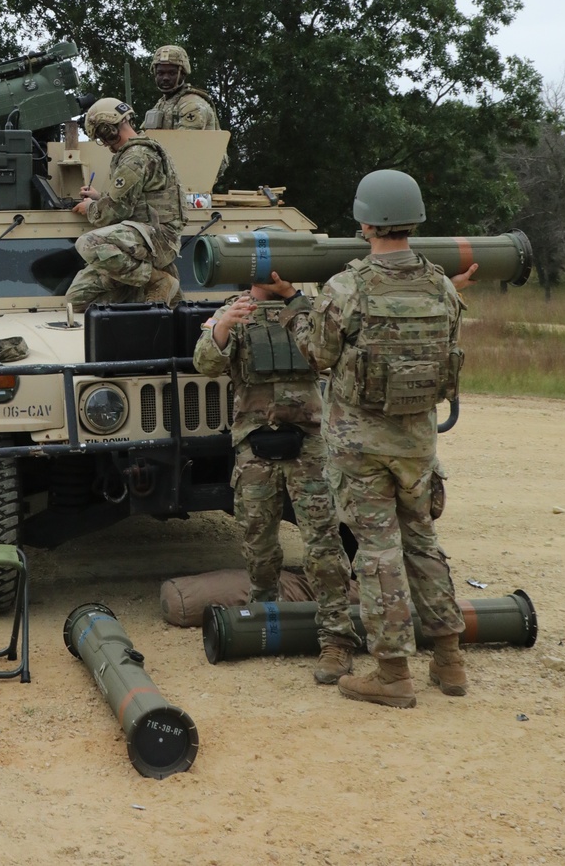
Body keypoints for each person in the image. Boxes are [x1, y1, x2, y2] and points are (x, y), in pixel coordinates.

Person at [263, 169, 475, 709]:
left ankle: (392, 673)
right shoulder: (441, 285)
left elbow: (318, 353)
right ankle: (449, 662)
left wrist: (290, 301)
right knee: (422, 541)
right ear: (415, 218)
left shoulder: (348, 286)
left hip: (361, 444)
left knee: (378, 551)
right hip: (418, 441)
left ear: (364, 222)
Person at [193, 285, 358, 685]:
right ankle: (263, 615)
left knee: (322, 540)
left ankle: (336, 636)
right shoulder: (234, 311)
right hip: (255, 444)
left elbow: (328, 354)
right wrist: (222, 327)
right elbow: (204, 364)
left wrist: (295, 301)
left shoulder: (312, 307)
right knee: (258, 538)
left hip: (310, 442)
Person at [67, 99, 185, 310]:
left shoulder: (135, 157)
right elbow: (134, 199)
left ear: (107, 130)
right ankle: (132, 278)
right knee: (76, 298)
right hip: (142, 235)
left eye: (101, 137)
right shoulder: (143, 149)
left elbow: (112, 213)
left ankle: (156, 280)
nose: (105, 144)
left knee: (88, 244)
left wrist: (90, 208)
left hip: (155, 237)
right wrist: (99, 197)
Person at [142, 45, 220, 131]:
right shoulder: (162, 104)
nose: (165, 78)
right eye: (160, 73)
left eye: (172, 73)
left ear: (183, 74)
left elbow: (185, 141)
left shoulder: (192, 105)